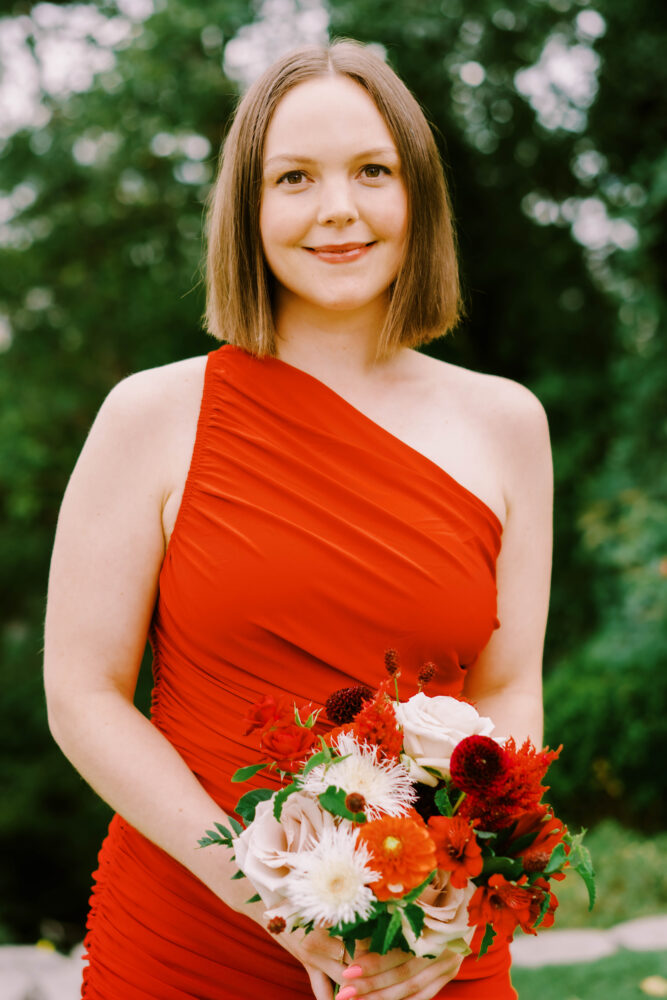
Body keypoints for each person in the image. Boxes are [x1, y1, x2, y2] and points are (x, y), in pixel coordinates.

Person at [43, 39, 552, 1000]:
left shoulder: (507, 424)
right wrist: (265, 893)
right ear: (249, 207)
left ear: (420, 197)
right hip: (192, 937)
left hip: (431, 952)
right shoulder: (151, 415)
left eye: (372, 171)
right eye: (294, 178)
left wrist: (457, 891)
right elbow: (81, 693)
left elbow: (510, 685)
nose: (338, 210)